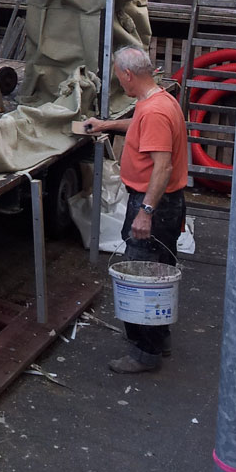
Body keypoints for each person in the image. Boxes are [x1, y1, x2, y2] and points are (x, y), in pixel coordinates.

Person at [84, 45, 188, 374]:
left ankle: (145, 352)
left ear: (128, 75)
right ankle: (160, 338)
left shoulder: (155, 111)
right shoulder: (158, 100)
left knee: (141, 275)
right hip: (165, 203)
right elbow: (140, 125)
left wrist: (145, 211)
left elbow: (162, 167)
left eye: (119, 76)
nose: (119, 82)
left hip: (154, 203)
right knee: (160, 270)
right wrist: (106, 125)